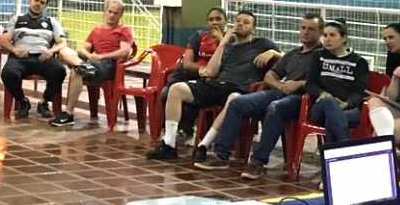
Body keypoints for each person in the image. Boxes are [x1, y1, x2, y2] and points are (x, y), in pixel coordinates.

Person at [236, 19, 369, 180]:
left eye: (332, 35)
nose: (327, 39)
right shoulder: (319, 57)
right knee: (328, 102)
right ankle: (342, 159)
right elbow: (311, 84)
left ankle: (330, 172)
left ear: (344, 38)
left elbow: (359, 93)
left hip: (347, 110)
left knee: (332, 120)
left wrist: (346, 104)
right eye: (325, 35)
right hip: (320, 108)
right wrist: (322, 94)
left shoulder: (359, 62)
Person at [145, 10, 279, 161]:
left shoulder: (262, 43)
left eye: (246, 22)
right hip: (217, 85)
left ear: (253, 29)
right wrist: (223, 43)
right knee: (176, 89)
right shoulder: (227, 46)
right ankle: (169, 145)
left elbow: (287, 59)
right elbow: (210, 71)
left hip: (238, 89)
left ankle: (203, 146)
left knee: (234, 98)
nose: (240, 24)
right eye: (238, 21)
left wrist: (274, 53)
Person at [194, 13, 322, 169]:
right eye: (303, 28)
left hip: (303, 98)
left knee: (275, 108)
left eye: (311, 29)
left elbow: (327, 81)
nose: (305, 32)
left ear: (320, 32)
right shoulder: (294, 53)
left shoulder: (323, 56)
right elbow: (270, 75)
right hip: (280, 92)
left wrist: (300, 83)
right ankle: (221, 155)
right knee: (237, 102)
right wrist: (280, 85)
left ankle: (257, 162)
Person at [49, 0, 136, 127]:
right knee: (64, 52)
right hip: (92, 63)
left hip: (109, 66)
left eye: (115, 13)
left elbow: (125, 52)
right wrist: (89, 55)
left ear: (121, 14)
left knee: (76, 71)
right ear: (105, 11)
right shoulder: (96, 30)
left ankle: (68, 114)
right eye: (110, 11)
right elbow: (82, 49)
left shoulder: (124, 30)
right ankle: (82, 66)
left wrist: (101, 57)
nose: (112, 15)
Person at [0, 0, 68, 119]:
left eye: (42, 2)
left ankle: (45, 102)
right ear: (30, 1)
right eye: (36, 0)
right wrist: (14, 50)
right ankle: (22, 101)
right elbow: (3, 40)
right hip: (20, 58)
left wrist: (51, 51)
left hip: (43, 57)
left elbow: (63, 42)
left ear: (45, 6)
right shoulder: (17, 19)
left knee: (59, 70)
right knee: (8, 73)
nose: (38, 4)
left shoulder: (51, 22)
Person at [159, 6, 227, 131]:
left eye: (218, 19)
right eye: (211, 20)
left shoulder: (230, 39)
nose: (214, 22)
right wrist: (202, 70)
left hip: (213, 79)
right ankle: (171, 129)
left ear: (225, 21)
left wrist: (221, 40)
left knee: (191, 97)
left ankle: (186, 129)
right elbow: (187, 64)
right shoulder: (199, 36)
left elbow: (228, 62)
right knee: (166, 92)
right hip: (194, 73)